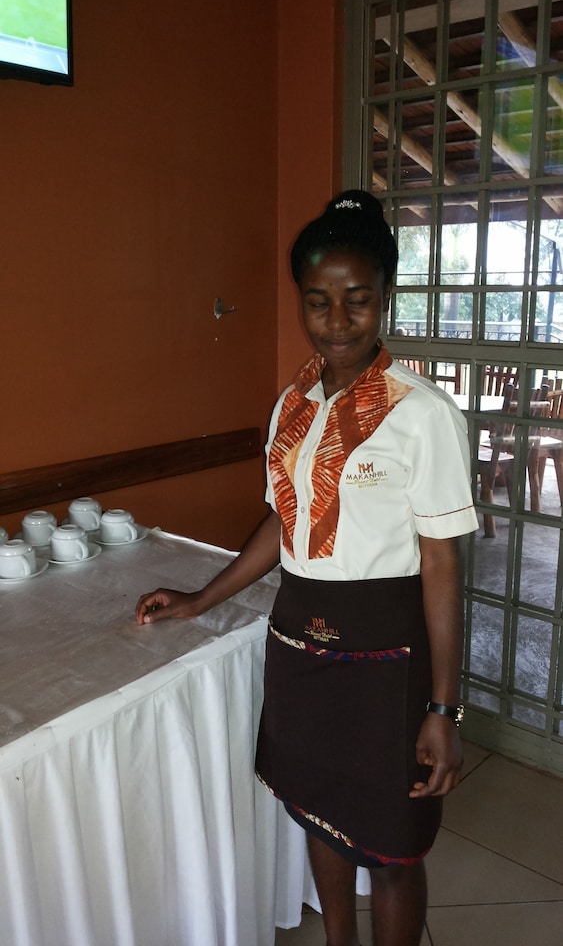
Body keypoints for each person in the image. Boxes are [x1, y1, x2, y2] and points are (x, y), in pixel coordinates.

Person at [136, 190, 478, 946]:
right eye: (319, 301)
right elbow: (282, 523)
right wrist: (199, 599)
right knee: (319, 813)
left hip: (388, 657)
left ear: (385, 296)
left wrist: (444, 708)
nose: (338, 321)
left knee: (392, 846)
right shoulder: (291, 406)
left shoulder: (421, 413)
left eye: (358, 300)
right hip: (299, 644)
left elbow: (441, 561)